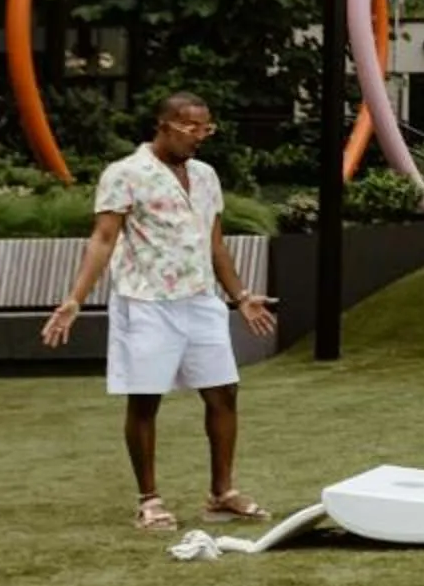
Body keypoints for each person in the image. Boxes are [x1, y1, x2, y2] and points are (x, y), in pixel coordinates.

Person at [43, 92, 275, 534]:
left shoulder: (205, 176)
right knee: (146, 399)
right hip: (146, 302)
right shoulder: (125, 173)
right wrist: (75, 299)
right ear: (164, 125)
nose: (199, 137)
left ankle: (222, 494)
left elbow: (215, 243)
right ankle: (149, 501)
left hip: (201, 299)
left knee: (224, 393)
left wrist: (241, 296)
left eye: (206, 129)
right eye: (191, 128)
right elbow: (104, 239)